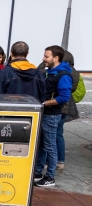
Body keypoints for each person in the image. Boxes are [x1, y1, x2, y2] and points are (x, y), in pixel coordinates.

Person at [34, 45, 73, 188]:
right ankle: (38, 172)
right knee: (43, 145)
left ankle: (50, 176)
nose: (43, 59)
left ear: (55, 58)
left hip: (52, 115)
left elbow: (64, 97)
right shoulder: (50, 72)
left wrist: (44, 103)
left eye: (46, 56)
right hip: (46, 113)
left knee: (50, 146)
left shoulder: (62, 75)